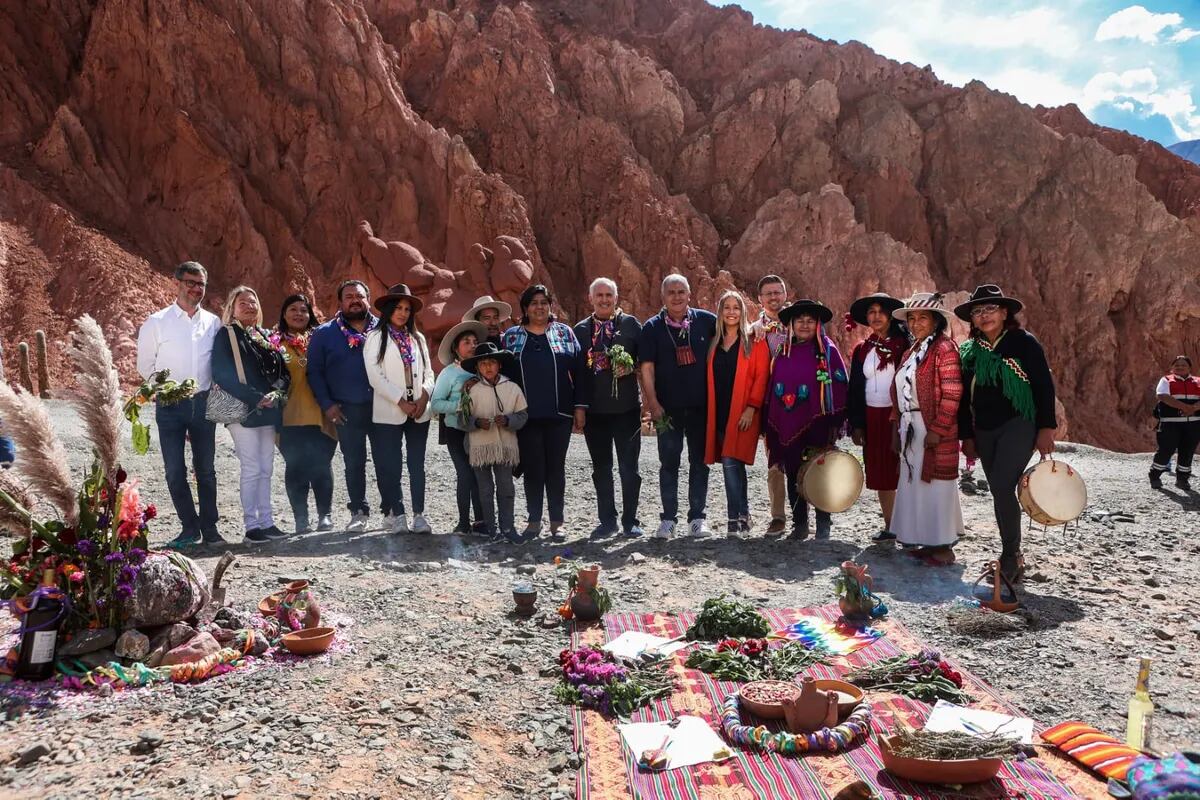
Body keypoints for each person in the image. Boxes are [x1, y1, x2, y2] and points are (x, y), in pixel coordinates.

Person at [957, 285, 1057, 583]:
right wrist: (967, 436)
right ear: (972, 319)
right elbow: (963, 399)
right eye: (977, 311)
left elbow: (1043, 386)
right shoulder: (970, 352)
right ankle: (1011, 550)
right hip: (983, 428)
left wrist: (1046, 429)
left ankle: (1011, 554)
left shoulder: (1023, 343)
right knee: (1000, 490)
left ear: (1004, 313)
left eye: (990, 309)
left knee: (1002, 486)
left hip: (1019, 422)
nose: (984, 316)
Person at [136, 261, 222, 547]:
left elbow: (216, 364)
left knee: (206, 469)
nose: (196, 288)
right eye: (191, 282)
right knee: (174, 469)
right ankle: (189, 527)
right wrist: (166, 389)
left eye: (201, 284)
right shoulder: (157, 322)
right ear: (178, 282)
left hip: (203, 403)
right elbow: (145, 365)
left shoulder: (213, 322)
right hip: (170, 405)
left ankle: (210, 529)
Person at [501, 285, 589, 542]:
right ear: (525, 308)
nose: (539, 307)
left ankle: (557, 522)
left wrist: (580, 407)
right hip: (525, 415)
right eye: (533, 303)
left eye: (544, 302)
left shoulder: (564, 333)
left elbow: (580, 372)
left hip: (560, 413)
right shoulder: (512, 337)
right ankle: (533, 520)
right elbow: (502, 375)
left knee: (556, 468)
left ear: (550, 306)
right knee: (533, 468)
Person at [639, 274, 717, 539]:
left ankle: (697, 519)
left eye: (681, 291)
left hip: (701, 409)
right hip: (666, 410)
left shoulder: (706, 322)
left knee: (700, 462)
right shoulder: (651, 328)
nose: (676, 296)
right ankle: (668, 520)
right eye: (671, 292)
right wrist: (653, 404)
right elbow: (646, 369)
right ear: (663, 296)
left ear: (689, 294)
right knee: (668, 462)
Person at [211, 286, 291, 544]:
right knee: (252, 467)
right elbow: (222, 374)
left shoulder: (264, 336)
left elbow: (282, 371)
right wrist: (256, 397)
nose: (248, 306)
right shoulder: (227, 335)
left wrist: (278, 394)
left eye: (252, 301)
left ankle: (267, 522)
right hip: (244, 410)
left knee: (267, 467)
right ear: (232, 308)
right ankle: (251, 526)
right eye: (242, 302)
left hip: (267, 410)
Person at [888, 294, 963, 564]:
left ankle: (943, 546)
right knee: (917, 485)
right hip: (910, 426)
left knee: (936, 485)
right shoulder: (912, 352)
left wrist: (939, 429)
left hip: (931, 427)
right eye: (912, 318)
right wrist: (897, 426)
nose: (916, 323)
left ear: (936, 321)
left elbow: (953, 391)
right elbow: (900, 392)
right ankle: (927, 541)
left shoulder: (944, 348)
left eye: (923, 317)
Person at [764, 299, 848, 539]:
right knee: (793, 472)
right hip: (788, 423)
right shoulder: (783, 352)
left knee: (820, 471)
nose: (804, 324)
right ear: (791, 324)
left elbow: (840, 383)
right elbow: (774, 387)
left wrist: (832, 421)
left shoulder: (827, 351)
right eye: (799, 320)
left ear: (817, 324)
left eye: (810, 320)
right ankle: (799, 524)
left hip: (819, 423)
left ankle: (823, 524)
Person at [306, 280, 384, 533]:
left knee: (387, 460)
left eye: (359, 296)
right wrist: (327, 405)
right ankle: (358, 512)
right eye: (348, 296)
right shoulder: (325, 333)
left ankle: (392, 510)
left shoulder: (384, 329)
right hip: (346, 409)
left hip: (382, 406)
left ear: (368, 300)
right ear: (340, 302)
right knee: (354, 461)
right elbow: (314, 372)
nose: (354, 300)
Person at [573, 278, 644, 539]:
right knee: (601, 468)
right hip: (595, 413)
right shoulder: (581, 330)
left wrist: (632, 366)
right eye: (599, 295)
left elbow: (645, 360)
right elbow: (578, 373)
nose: (604, 299)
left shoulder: (630, 325)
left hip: (626, 410)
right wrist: (578, 409)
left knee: (629, 468)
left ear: (617, 298)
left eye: (609, 295)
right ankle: (607, 520)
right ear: (590, 298)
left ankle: (630, 521)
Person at [364, 284, 435, 535]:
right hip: (389, 410)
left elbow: (429, 371)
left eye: (407, 309)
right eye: (398, 308)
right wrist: (400, 400)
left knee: (417, 464)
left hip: (419, 410)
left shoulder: (418, 338)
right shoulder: (375, 337)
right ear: (388, 310)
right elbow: (375, 375)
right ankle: (398, 513)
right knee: (391, 464)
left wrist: (424, 396)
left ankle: (419, 515)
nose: (403, 313)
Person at [705, 291, 769, 535]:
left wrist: (752, 408)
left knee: (731, 461)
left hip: (743, 412)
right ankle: (743, 515)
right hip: (719, 410)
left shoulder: (754, 341)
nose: (731, 312)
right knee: (734, 464)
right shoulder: (714, 343)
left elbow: (761, 377)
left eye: (736, 307)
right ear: (720, 312)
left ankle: (734, 519)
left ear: (743, 312)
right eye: (726, 307)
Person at [272, 294, 337, 534]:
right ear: (284, 314)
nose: (299, 314)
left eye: (303, 310)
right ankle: (301, 519)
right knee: (296, 467)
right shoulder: (273, 342)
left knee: (321, 464)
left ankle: (325, 516)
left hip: (321, 412)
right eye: (293, 309)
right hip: (288, 416)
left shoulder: (321, 340)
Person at [846, 293, 908, 541]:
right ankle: (891, 525)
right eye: (871, 312)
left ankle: (910, 525)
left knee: (903, 468)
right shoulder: (864, 349)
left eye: (881, 311)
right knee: (881, 470)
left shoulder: (904, 345)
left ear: (891, 315)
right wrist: (857, 424)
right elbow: (855, 388)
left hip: (898, 416)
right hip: (872, 415)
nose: (876, 316)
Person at [463, 342, 529, 541]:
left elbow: (523, 415)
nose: (488, 367)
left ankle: (508, 527)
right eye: (483, 364)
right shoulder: (470, 391)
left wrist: (509, 420)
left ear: (499, 365)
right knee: (485, 489)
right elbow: (461, 419)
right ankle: (491, 529)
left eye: (492, 362)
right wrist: (475, 422)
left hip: (505, 447)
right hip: (479, 448)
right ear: (477, 368)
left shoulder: (512, 388)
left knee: (506, 487)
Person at [430, 320, 489, 534]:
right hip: (456, 431)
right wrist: (462, 405)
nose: (472, 345)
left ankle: (482, 521)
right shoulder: (449, 373)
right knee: (465, 474)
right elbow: (436, 404)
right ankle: (463, 522)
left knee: (480, 474)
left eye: (475, 341)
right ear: (456, 348)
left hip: (480, 431)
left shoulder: (484, 368)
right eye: (466, 342)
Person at [751, 274, 790, 535]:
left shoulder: (799, 323)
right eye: (769, 293)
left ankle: (804, 513)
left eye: (778, 292)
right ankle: (778, 515)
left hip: (799, 398)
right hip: (769, 402)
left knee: (803, 457)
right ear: (760, 299)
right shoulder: (754, 329)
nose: (774, 297)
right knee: (774, 460)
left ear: (785, 294)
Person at [1150, 355, 1200, 490]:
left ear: (1189, 367)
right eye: (1177, 365)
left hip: (1193, 424)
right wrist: (1185, 407)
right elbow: (1162, 396)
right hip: (1170, 423)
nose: (1180, 367)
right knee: (1166, 450)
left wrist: (1194, 408)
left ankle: (1182, 479)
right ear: (1172, 368)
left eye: (1183, 365)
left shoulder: (1198, 381)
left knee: (1187, 452)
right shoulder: (1166, 380)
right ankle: (1154, 476)